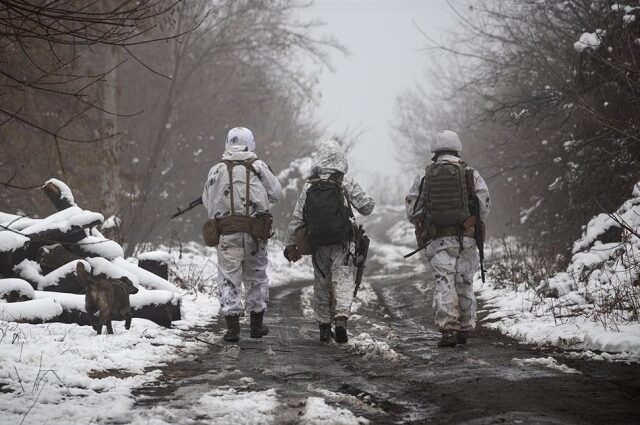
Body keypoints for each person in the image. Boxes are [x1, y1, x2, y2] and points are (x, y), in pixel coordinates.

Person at [283, 140, 375, 343]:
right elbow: (367, 207)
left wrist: (290, 243)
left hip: (317, 242)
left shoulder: (310, 185)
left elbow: (297, 218)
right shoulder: (345, 181)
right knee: (342, 278)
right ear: (340, 159)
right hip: (342, 241)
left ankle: (324, 327)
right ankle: (341, 319)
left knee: (322, 282)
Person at [405, 130, 490, 348]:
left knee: (445, 283)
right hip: (467, 238)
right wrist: (470, 224)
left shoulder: (426, 175)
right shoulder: (470, 173)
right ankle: (465, 328)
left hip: (438, 240)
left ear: (435, 150)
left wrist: (427, 223)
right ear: (457, 147)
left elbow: (412, 211)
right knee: (465, 282)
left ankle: (448, 330)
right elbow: (484, 204)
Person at [202, 127, 282, 342]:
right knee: (256, 277)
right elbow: (276, 195)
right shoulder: (259, 167)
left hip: (227, 233)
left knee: (229, 278)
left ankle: (232, 329)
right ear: (251, 142)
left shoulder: (216, 170)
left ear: (227, 142)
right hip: (256, 233)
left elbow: (207, 202)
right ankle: (256, 326)